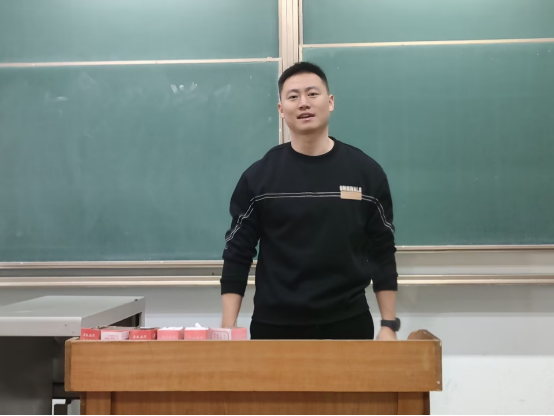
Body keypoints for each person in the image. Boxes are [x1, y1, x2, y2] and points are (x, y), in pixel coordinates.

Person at [220, 62, 400, 341]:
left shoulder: (366, 172)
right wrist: (227, 327)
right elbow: (237, 252)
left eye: (312, 94)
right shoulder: (259, 178)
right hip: (274, 327)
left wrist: (388, 325)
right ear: (281, 109)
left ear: (330, 102)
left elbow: (382, 251)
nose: (303, 103)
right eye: (293, 96)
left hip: (348, 324)